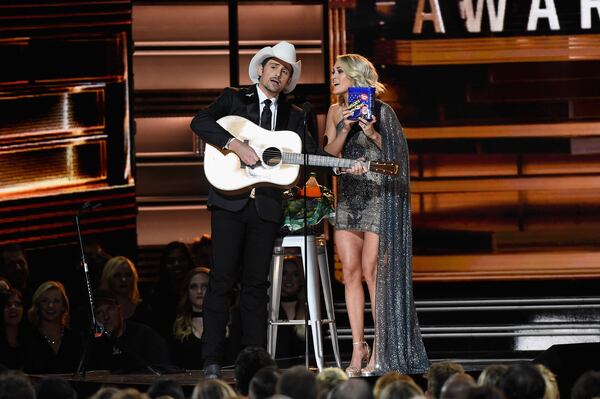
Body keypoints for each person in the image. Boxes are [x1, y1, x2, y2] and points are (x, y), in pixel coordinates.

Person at [190, 41, 361, 379]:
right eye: (274, 67)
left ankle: (253, 364)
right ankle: (211, 360)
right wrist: (236, 144)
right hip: (228, 201)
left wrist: (341, 164)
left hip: (266, 208)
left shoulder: (296, 115)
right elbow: (200, 121)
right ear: (261, 69)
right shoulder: (234, 99)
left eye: (285, 71)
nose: (278, 74)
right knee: (221, 280)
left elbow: (311, 157)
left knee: (257, 285)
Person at [323, 53, 429, 376]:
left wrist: (371, 134)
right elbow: (329, 152)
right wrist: (346, 127)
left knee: (372, 271)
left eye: (339, 71)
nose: (334, 76)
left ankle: (382, 346)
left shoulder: (384, 113)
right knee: (350, 271)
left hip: (379, 196)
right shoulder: (334, 111)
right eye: (332, 71)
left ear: (356, 75)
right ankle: (358, 348)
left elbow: (398, 159)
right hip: (350, 197)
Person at [90, 288, 172, 373]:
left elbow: (165, 373)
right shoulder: (93, 345)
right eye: (99, 312)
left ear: (120, 310)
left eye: (110, 309)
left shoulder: (145, 336)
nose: (106, 316)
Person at [24, 281, 82, 374]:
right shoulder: (27, 339)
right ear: (38, 305)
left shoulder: (76, 339)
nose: (50, 306)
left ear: (63, 306)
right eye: (45, 301)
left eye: (56, 301)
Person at [171, 267, 210, 370]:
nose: (199, 291)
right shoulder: (178, 326)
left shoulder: (227, 324)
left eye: (205, 286)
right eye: (194, 286)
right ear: (187, 291)